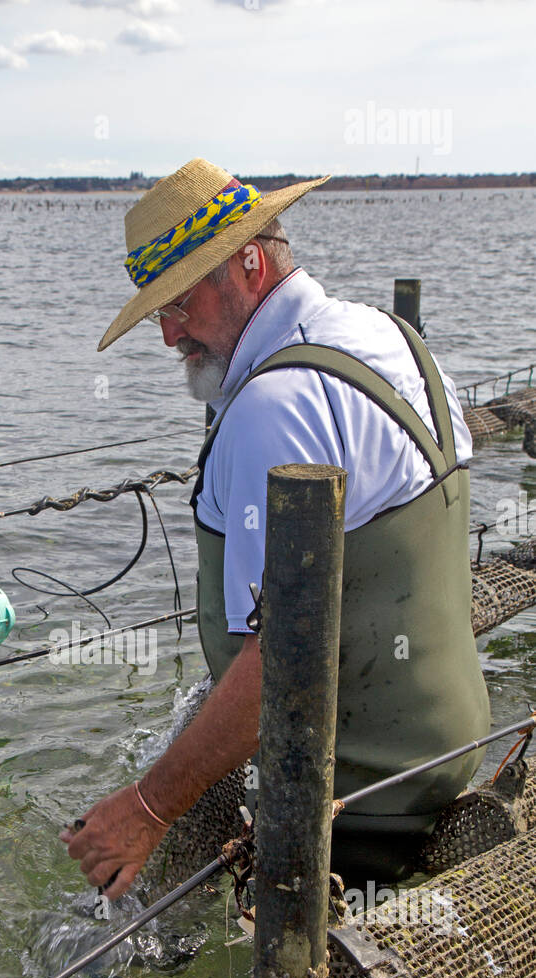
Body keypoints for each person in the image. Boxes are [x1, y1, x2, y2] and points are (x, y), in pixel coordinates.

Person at [61, 158, 489, 899]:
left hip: (349, 798)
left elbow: (282, 667)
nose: (169, 336)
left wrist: (146, 807)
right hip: (444, 749)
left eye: (180, 302)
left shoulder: (273, 406)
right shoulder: (385, 336)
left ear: (249, 264)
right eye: (155, 310)